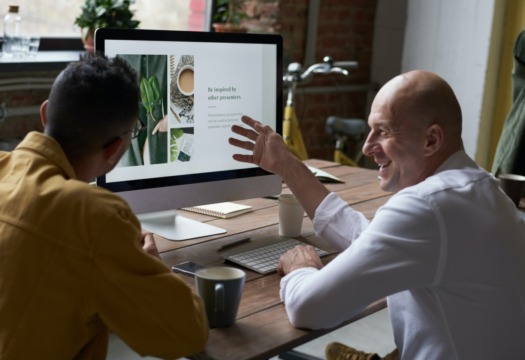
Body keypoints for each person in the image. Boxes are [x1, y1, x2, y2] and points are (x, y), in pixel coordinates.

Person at [229, 70, 525, 359]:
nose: (368, 147)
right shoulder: (482, 188)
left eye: (382, 131)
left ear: (431, 140)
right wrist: (286, 164)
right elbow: (373, 240)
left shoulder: (427, 206)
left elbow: (308, 308)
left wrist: (300, 269)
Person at [0, 55, 208, 359]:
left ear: (45, 114)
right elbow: (187, 335)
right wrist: (156, 267)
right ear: (114, 149)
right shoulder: (95, 216)